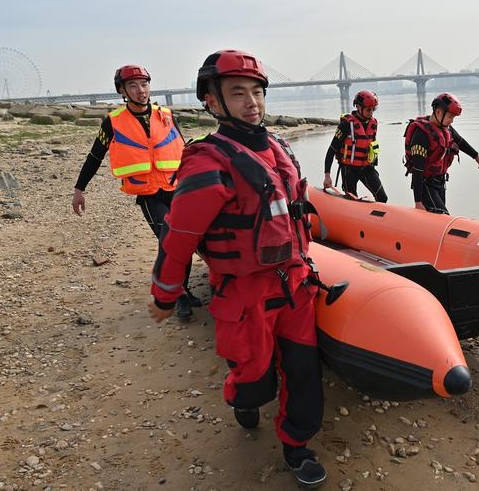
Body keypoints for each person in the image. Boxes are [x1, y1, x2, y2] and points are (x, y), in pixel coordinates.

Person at [148, 49, 327, 488]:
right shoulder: (208, 161)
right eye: (238, 93)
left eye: (257, 92)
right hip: (245, 293)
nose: (253, 102)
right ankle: (243, 400)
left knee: (305, 372)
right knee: (254, 381)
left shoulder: (279, 147)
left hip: (296, 283)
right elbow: (181, 237)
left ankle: (296, 445)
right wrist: (165, 294)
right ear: (212, 101)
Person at [71, 64, 200, 320]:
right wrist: (79, 189)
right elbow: (95, 156)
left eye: (144, 84)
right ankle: (179, 296)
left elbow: (184, 150)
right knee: (169, 240)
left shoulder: (165, 115)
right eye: (133, 85)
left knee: (183, 242)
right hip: (149, 195)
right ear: (122, 91)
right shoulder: (113, 122)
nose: (140, 90)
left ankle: (183, 288)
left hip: (176, 190)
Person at [403, 92, 479, 214]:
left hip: (440, 182)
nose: (452, 121)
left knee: (438, 216)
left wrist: (476, 156)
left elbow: (460, 141)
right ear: (438, 112)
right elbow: (418, 170)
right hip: (425, 185)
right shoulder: (421, 135)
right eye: (450, 117)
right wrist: (418, 202)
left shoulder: (445, 128)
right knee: (443, 216)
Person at [323, 90, 388, 202]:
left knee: (382, 197)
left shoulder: (374, 123)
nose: (371, 112)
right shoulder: (346, 125)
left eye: (373, 109)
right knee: (351, 201)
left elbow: (372, 146)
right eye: (368, 109)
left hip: (367, 168)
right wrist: (327, 175)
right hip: (349, 170)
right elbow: (331, 150)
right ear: (358, 107)